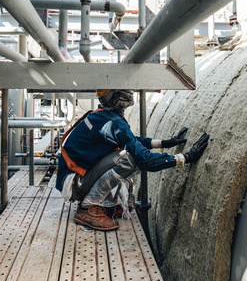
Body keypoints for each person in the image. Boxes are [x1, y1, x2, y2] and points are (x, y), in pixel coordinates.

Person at [56, 89, 210, 231]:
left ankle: (96, 202)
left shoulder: (102, 115)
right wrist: (186, 158)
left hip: (72, 180)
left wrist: (163, 143)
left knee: (127, 154)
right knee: (127, 160)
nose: (129, 92)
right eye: (125, 90)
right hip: (76, 184)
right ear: (117, 97)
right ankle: (89, 207)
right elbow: (145, 160)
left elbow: (131, 140)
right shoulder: (114, 122)